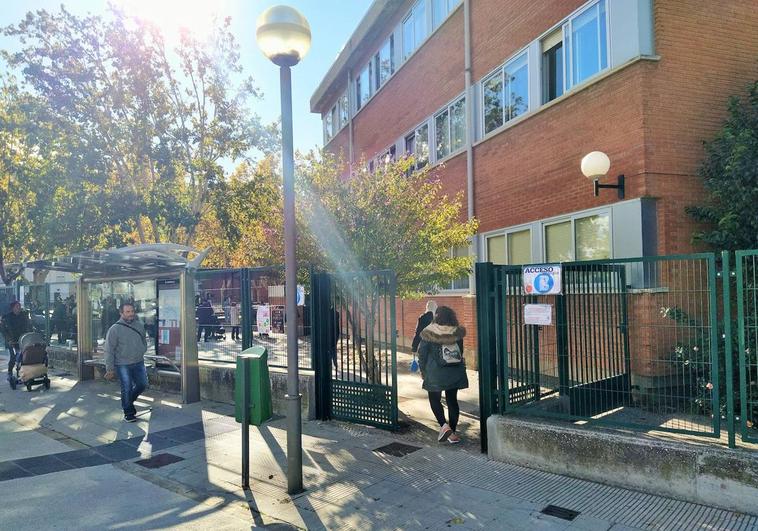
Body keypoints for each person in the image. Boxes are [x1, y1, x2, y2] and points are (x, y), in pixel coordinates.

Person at [417, 305, 468, 444]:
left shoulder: (429, 332)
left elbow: (422, 353)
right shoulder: (457, 332)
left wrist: (423, 370)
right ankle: (453, 432)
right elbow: (460, 352)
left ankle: (444, 427)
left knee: (434, 399)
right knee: (452, 401)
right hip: (454, 371)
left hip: (435, 372)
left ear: (437, 316)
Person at [104, 302, 148, 422]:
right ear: (121, 313)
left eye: (132, 311)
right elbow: (109, 350)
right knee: (126, 387)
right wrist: (110, 368)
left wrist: (142, 350)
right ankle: (128, 412)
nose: (131, 314)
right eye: (128, 312)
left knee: (142, 384)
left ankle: (128, 401)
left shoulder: (139, 325)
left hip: (138, 361)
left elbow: (144, 340)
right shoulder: (114, 329)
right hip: (122, 363)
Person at [1, 301, 31, 378]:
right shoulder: (7, 317)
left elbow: (28, 327)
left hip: (23, 340)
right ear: (13, 308)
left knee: (24, 357)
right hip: (12, 341)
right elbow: (4, 330)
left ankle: (22, 372)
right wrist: (9, 340)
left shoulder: (23, 316)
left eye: (20, 306)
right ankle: (10, 372)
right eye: (17, 307)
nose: (19, 308)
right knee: (13, 357)